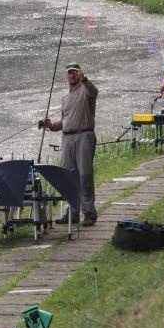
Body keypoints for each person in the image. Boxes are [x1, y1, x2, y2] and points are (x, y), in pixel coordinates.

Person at [41, 62, 100, 226]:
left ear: (80, 74)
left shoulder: (86, 90)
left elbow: (94, 91)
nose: (72, 75)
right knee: (71, 177)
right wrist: (51, 126)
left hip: (84, 135)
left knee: (85, 175)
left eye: (75, 72)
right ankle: (73, 212)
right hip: (67, 138)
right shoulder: (65, 97)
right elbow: (65, 121)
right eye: (70, 73)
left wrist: (86, 79)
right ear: (66, 75)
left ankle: (89, 213)